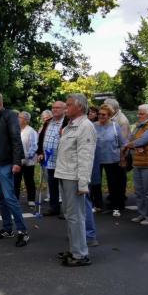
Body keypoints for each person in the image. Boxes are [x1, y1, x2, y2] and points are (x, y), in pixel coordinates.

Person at [0, 91, 29, 247]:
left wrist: (17, 162)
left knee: (9, 197)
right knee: (1, 197)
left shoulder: (9, 116)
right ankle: (7, 229)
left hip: (6, 163)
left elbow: (16, 139)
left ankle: (23, 231)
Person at [54, 94, 97, 267]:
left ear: (79, 107)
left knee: (76, 217)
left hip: (73, 177)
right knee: (71, 216)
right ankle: (75, 249)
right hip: (65, 175)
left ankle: (80, 254)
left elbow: (86, 157)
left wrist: (83, 183)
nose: (66, 108)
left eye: (69, 105)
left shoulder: (85, 126)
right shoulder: (71, 125)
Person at [123, 104, 148, 225]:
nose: (138, 115)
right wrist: (131, 143)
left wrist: (129, 145)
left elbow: (140, 141)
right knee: (139, 191)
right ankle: (142, 214)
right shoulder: (139, 126)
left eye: (141, 113)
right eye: (138, 113)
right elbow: (131, 139)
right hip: (139, 162)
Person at [91, 104, 128, 217]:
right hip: (96, 159)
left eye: (103, 114)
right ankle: (97, 205)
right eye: (99, 114)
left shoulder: (114, 126)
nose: (101, 116)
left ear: (109, 116)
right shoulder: (93, 125)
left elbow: (122, 143)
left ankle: (115, 207)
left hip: (112, 159)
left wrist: (122, 158)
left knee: (113, 184)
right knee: (95, 182)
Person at [36, 101, 67, 217]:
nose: (54, 110)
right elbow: (41, 138)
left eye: (58, 108)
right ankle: (54, 208)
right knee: (52, 185)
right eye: (53, 108)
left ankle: (66, 211)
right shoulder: (48, 122)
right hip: (49, 159)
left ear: (64, 110)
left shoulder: (68, 122)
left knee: (65, 187)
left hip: (63, 160)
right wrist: (40, 152)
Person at [14, 111, 38, 207]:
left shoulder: (31, 131)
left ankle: (31, 199)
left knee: (29, 180)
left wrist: (26, 157)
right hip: (17, 160)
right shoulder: (16, 130)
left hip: (28, 161)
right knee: (16, 181)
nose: (17, 119)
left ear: (26, 120)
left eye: (20, 117)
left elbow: (34, 146)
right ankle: (15, 199)